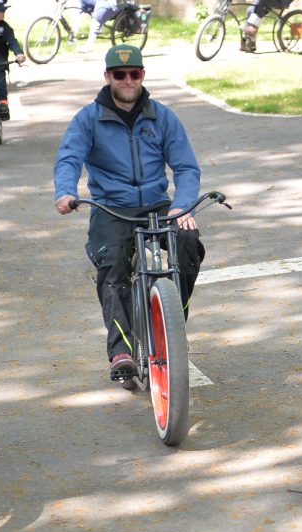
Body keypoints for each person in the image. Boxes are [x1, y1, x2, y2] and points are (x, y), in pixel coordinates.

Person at [53, 44, 205, 381]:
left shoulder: (162, 117)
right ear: (107, 77)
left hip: (157, 204)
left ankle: (172, 323)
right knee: (113, 266)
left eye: (133, 73)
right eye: (119, 74)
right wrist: (65, 192)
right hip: (111, 207)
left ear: (142, 76)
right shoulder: (88, 119)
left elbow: (186, 168)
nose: (127, 80)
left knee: (188, 241)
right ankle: (120, 350)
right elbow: (69, 158)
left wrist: (182, 205)